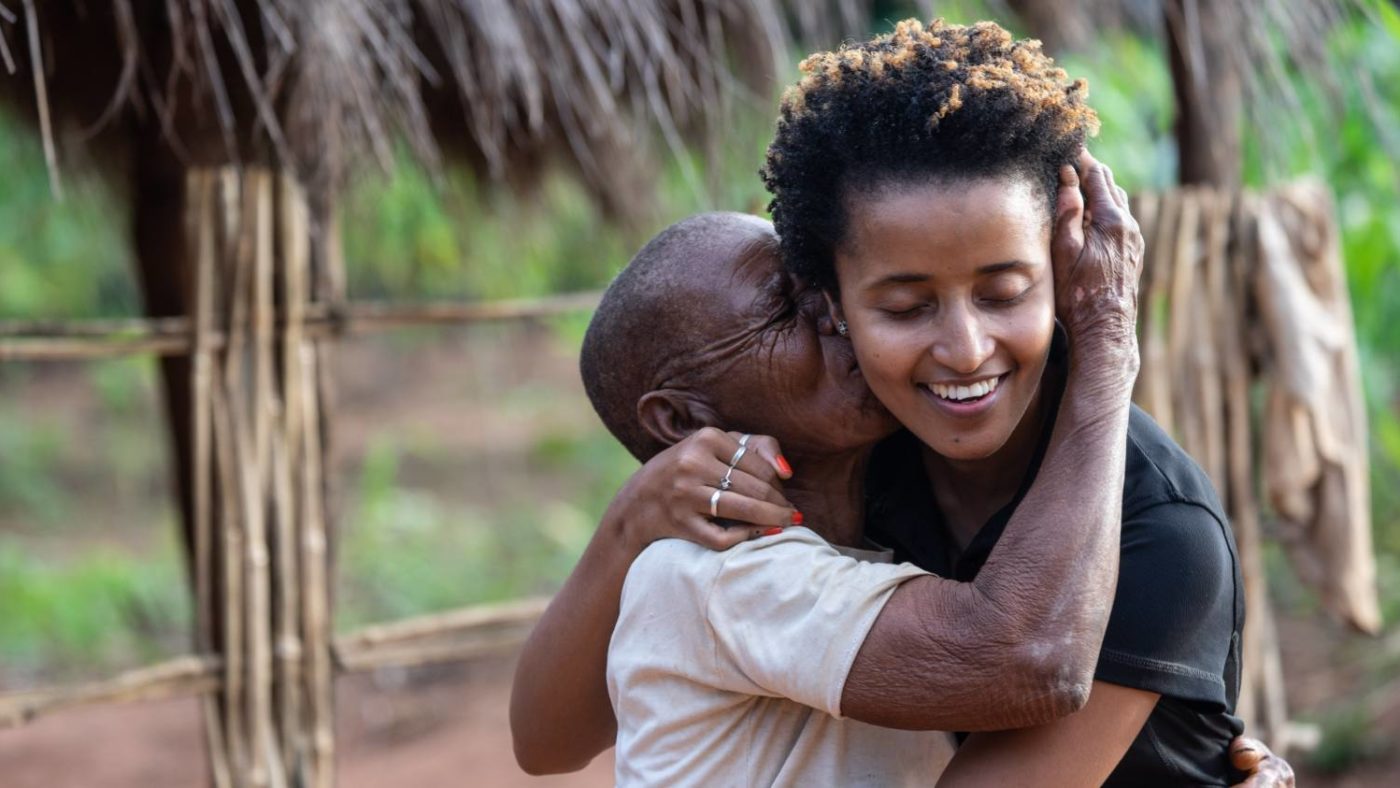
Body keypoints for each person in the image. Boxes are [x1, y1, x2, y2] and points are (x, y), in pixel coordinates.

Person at [512, 18, 1287, 786]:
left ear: (1065, 271)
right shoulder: (851, 474)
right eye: (905, 307)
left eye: (1004, 292)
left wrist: (1110, 342)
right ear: (838, 298)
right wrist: (630, 520)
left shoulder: (1156, 532)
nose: (965, 348)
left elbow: (1025, 658)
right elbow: (547, 741)